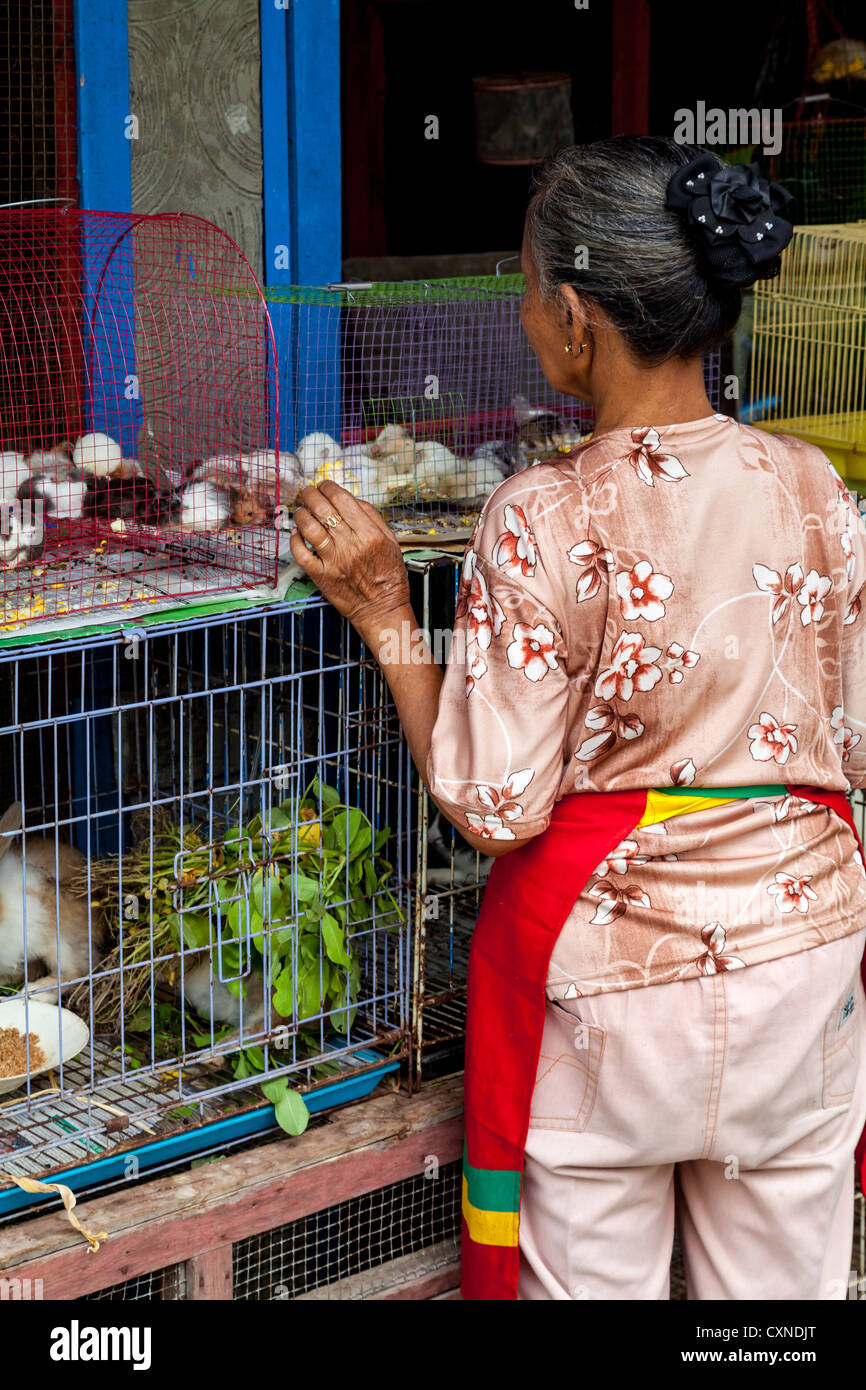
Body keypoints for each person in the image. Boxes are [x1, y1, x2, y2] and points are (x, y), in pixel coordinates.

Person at [289, 136, 866, 1302]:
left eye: (521, 290)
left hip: (613, 991)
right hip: (802, 971)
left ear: (570, 316)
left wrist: (386, 608)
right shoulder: (813, 486)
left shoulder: (540, 513)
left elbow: (497, 805)